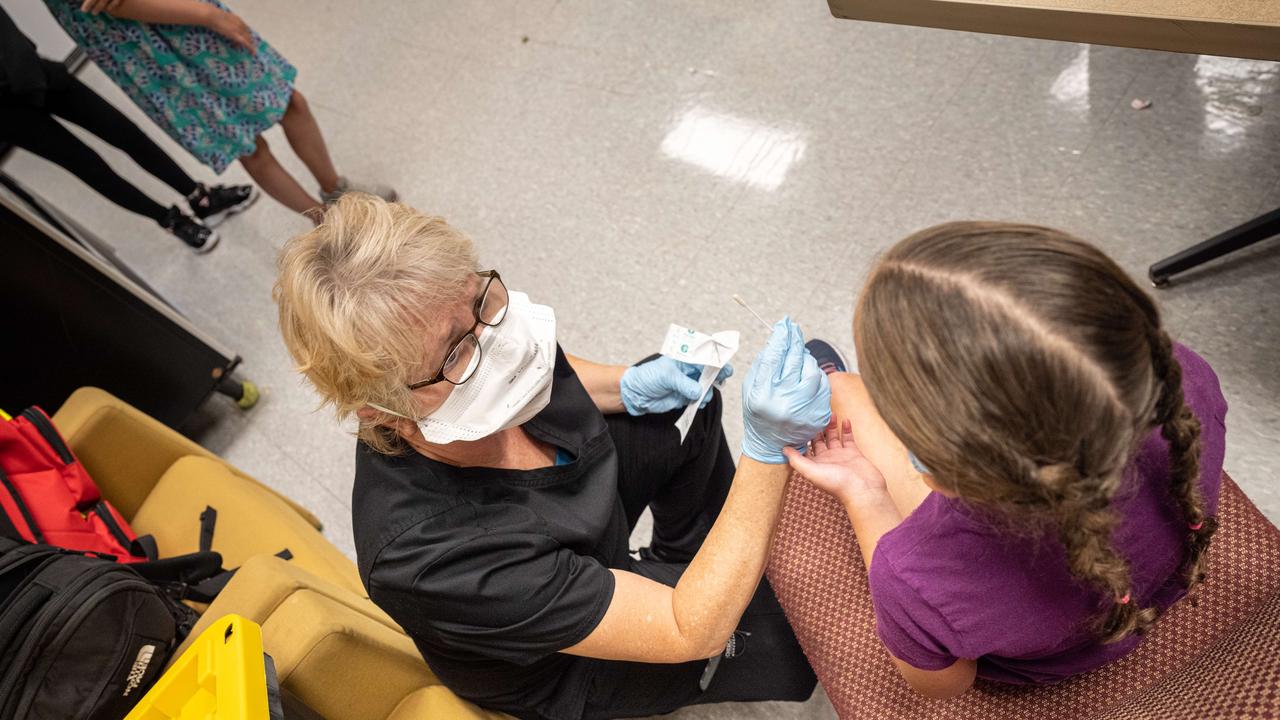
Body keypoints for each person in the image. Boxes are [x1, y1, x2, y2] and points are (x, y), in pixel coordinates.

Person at [273, 194, 835, 720]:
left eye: (482, 301)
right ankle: (708, 589)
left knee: (687, 417)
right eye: (458, 352)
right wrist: (766, 455)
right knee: (787, 622)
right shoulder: (428, 557)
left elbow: (550, 368)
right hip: (567, 661)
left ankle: (692, 557)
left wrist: (630, 384)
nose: (500, 346)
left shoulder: (480, 346)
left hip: (584, 531)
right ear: (384, 411)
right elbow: (688, 627)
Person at [784, 222, 1226, 698]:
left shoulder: (916, 575)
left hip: (1051, 664)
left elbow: (944, 686)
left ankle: (838, 385)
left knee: (841, 392)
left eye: (900, 411)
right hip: (1159, 582)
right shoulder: (1187, 377)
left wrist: (866, 496)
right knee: (845, 391)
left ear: (942, 472)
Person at [44, 0, 395, 222]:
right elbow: (115, 4)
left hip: (188, 20)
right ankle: (325, 222)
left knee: (289, 101)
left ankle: (335, 188)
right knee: (246, 144)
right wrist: (209, 15)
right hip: (153, 51)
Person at [0, 7, 254, 251]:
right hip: (8, 113)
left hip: (32, 71)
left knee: (124, 132)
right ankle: (169, 220)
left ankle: (200, 197)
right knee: (86, 164)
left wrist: (27, 67)